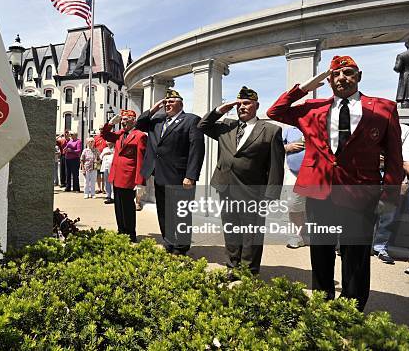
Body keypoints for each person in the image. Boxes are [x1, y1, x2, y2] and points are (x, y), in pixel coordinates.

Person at [267, 55, 402, 312]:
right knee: (321, 251)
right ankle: (322, 300)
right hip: (320, 192)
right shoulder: (313, 108)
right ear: (329, 80)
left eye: (349, 72)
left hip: (361, 193)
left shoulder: (383, 108)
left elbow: (394, 157)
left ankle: (352, 306)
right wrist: (306, 86)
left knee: (356, 255)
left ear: (359, 76)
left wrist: (389, 197)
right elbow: (275, 111)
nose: (342, 78)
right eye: (336, 74)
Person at [198, 86, 285, 275]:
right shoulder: (226, 126)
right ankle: (232, 266)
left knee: (251, 234)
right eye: (239, 104)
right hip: (226, 186)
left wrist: (271, 194)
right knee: (231, 230)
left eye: (246, 103)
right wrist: (223, 108)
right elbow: (202, 125)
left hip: (253, 191)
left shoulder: (270, 130)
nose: (242, 107)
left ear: (256, 105)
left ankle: (249, 271)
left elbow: (276, 165)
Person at [137, 89, 205, 255]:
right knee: (164, 212)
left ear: (181, 103)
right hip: (159, 174)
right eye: (166, 102)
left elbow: (197, 149)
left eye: (171, 101)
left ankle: (181, 247)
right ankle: (169, 242)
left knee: (181, 214)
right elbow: (140, 124)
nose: (167, 104)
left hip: (180, 177)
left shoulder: (190, 120)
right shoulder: (157, 120)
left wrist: (191, 176)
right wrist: (154, 108)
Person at [101, 109, 147, 242]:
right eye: (122, 120)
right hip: (116, 175)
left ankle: (131, 234)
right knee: (118, 207)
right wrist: (110, 124)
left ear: (134, 121)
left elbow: (140, 160)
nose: (123, 122)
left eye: (126, 120)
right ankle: (121, 231)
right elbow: (105, 135)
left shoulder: (140, 136)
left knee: (127, 207)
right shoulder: (120, 134)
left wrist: (140, 182)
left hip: (129, 177)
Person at [373, 123, 409, 264]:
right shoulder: (370, 125)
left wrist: (404, 180)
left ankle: (380, 247)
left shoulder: (406, 130)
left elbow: (407, 155)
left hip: (393, 173)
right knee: (362, 211)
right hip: (370, 172)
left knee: (388, 212)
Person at [283, 126, 308, 249]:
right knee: (294, 205)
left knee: (319, 206)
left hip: (317, 174)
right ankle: (297, 237)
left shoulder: (320, 125)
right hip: (294, 174)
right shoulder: (289, 130)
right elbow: (274, 147)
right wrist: (287, 147)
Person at [94, 126, 108, 195]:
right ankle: (99, 188)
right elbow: (94, 147)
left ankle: (103, 188)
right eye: (100, 129)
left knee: (104, 173)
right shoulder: (96, 138)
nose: (101, 130)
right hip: (98, 158)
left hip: (105, 158)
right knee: (98, 173)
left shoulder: (107, 137)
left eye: (102, 129)